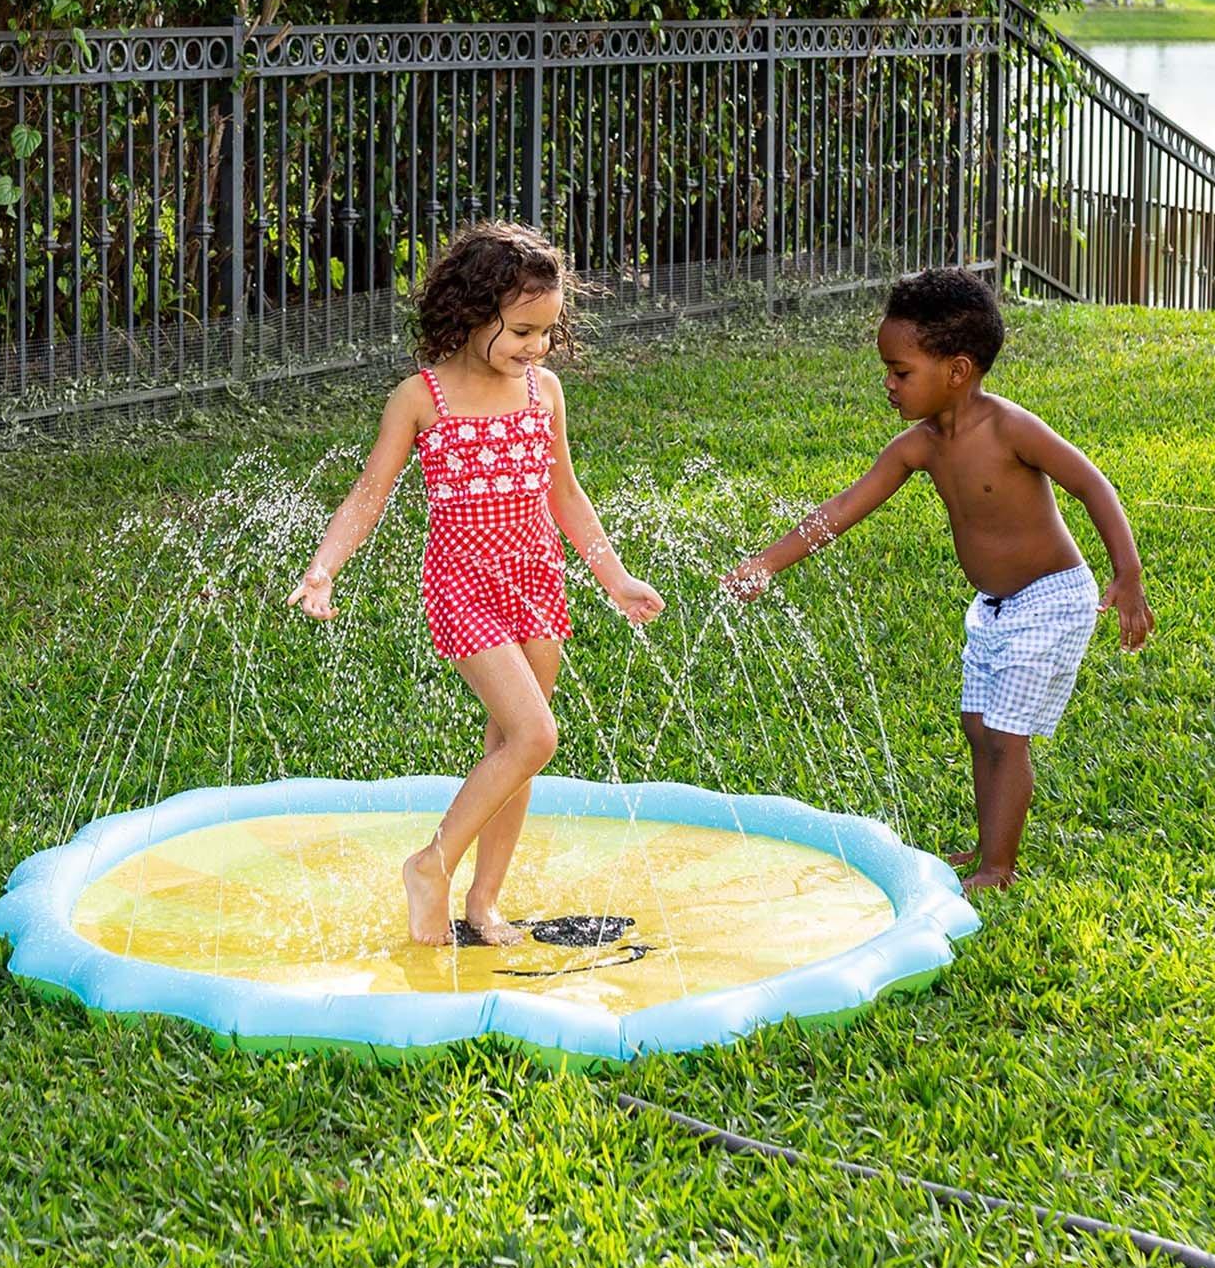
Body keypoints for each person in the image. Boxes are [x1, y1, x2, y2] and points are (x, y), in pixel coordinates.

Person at [290, 221, 664, 944]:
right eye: (522, 330)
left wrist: (613, 577)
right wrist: (323, 569)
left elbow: (567, 496)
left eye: (547, 333)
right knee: (535, 734)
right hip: (462, 587)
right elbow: (370, 495)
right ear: (470, 313)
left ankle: (484, 900)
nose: (535, 347)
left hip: (538, 582)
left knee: (511, 747)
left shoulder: (542, 391)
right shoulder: (421, 398)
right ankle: (431, 863)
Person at [724, 268, 1153, 891]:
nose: (889, 385)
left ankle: (998, 869)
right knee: (979, 729)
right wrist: (767, 562)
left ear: (956, 371)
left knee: (1006, 736)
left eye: (901, 372)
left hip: (1052, 597)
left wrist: (1128, 572)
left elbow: (1091, 484)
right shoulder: (917, 447)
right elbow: (841, 509)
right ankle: (988, 851)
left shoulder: (1010, 428)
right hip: (995, 607)